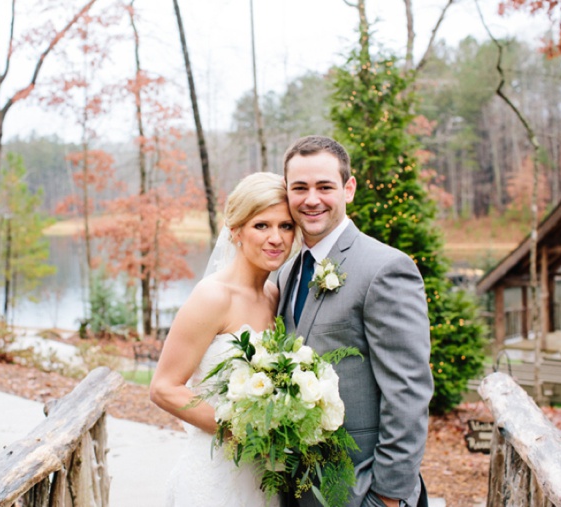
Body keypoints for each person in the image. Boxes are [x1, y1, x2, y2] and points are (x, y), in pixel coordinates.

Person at [277, 135, 434, 507]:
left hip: (362, 490)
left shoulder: (386, 268)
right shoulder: (285, 274)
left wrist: (388, 497)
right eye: (299, 188)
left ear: (348, 189)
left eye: (324, 187)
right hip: (299, 491)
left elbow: (408, 390)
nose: (311, 199)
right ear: (287, 193)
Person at [149, 172, 298, 507]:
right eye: (262, 225)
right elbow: (164, 388)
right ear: (236, 232)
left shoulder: (274, 295)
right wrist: (240, 432)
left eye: (286, 226)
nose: (276, 238)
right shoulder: (213, 296)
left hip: (264, 477)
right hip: (215, 478)